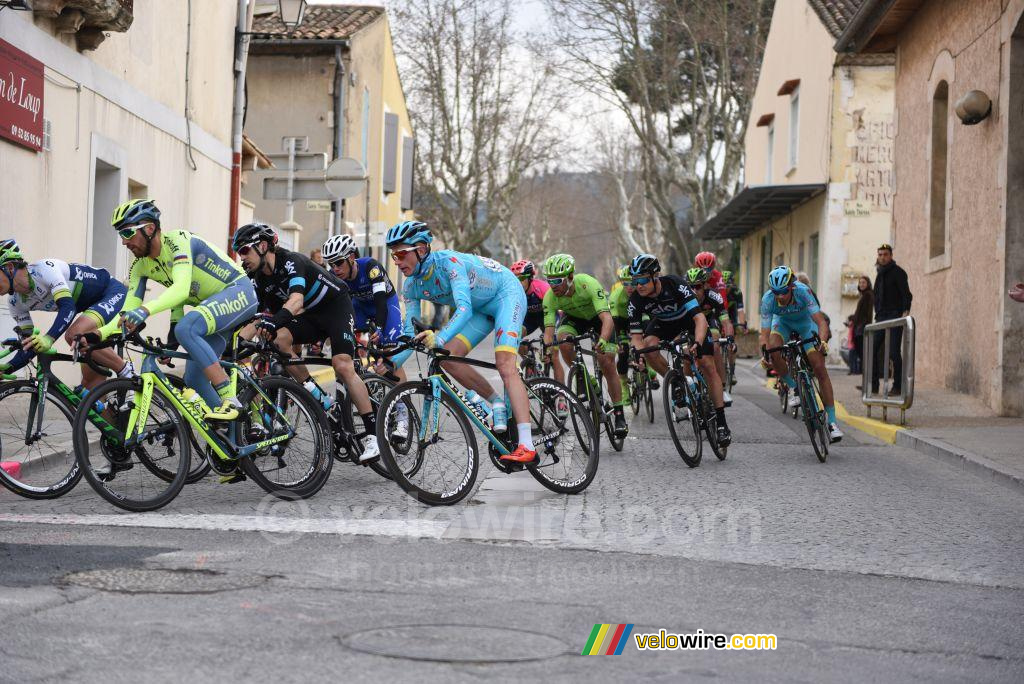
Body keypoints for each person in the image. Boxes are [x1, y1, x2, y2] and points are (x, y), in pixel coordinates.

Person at [386, 221, 538, 463]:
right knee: (447, 358)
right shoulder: (411, 285)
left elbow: (464, 308)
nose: (397, 261)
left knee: (505, 365)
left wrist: (439, 337)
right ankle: (497, 403)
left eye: (402, 254)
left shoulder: (449, 263)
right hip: (481, 309)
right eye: (394, 256)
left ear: (421, 250)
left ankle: (527, 445)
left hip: (506, 295)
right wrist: (391, 362)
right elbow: (409, 332)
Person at [96, 199, 258, 424]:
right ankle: (231, 434)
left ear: (149, 229)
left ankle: (231, 401)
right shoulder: (140, 266)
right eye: (120, 235)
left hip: (238, 291)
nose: (124, 242)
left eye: (127, 233)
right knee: (194, 380)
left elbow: (180, 289)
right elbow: (126, 312)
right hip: (214, 309)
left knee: (187, 328)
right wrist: (97, 334)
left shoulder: (178, 242)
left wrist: (145, 310)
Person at [234, 223, 380, 462]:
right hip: (312, 316)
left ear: (262, 246)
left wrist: (273, 322)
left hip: (336, 307)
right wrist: (237, 344)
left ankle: (373, 436)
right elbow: (258, 318)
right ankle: (319, 397)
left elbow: (295, 301)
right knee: (279, 340)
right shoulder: (259, 278)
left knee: (342, 365)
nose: (241, 258)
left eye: (244, 251)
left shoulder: (291, 262)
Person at [627, 254, 731, 445]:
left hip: (689, 321)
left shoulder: (675, 284)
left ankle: (722, 422)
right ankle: (675, 380)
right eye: (635, 281)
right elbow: (636, 338)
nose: (638, 285)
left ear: (655, 276)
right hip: (664, 324)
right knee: (648, 347)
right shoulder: (635, 299)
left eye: (642, 280)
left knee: (707, 364)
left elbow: (700, 319)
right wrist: (639, 355)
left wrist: (697, 342)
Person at [0, 240, 132, 388]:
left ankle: (128, 373)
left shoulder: (45, 270)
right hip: (88, 307)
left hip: (110, 291)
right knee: (90, 387)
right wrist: (9, 367)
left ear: (9, 268)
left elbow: (68, 308)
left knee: (73, 334)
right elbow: (29, 345)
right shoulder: (14, 303)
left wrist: (48, 338)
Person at [321, 233, 410, 437]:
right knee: (342, 347)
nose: (335, 268)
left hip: (385, 305)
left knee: (389, 356)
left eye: (339, 262)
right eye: (331, 264)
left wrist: (379, 328)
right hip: (360, 307)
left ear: (352, 257)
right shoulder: (334, 275)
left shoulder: (371, 267)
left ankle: (403, 414)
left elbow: (380, 301)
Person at [541, 253, 628, 438]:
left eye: (557, 281)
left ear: (570, 277)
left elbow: (607, 318)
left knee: (606, 362)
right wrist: (547, 350)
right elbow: (549, 332)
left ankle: (619, 414)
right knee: (563, 341)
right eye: (549, 280)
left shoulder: (588, 283)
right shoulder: (550, 296)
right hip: (574, 319)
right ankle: (583, 377)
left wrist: (602, 340)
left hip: (599, 319)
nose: (553, 285)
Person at [759, 265, 842, 442]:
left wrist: (822, 342)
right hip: (782, 324)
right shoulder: (768, 299)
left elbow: (821, 323)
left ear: (791, 286)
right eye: (776, 292)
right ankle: (792, 386)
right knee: (773, 349)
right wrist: (765, 354)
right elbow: (764, 334)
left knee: (819, 368)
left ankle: (833, 423)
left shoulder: (803, 291)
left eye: (784, 291)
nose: (780, 296)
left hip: (806, 324)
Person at [683, 267, 735, 405]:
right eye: (690, 287)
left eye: (698, 287)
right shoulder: (683, 297)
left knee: (715, 347)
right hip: (690, 324)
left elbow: (726, 321)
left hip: (709, 322)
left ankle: (722, 389)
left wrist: (730, 338)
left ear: (705, 285)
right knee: (684, 354)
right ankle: (688, 389)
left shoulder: (713, 295)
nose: (694, 291)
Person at [509, 259, 565, 385]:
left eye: (521, 278)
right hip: (529, 319)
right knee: (515, 335)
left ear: (530, 278)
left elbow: (558, 309)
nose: (518, 282)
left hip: (548, 318)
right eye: (514, 279)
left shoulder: (542, 288)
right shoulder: (514, 293)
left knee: (554, 356)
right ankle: (530, 361)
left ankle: (561, 394)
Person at [871, 243, 912, 395]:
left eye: (885, 254)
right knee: (872, 349)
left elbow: (906, 294)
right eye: (880, 254)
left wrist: (905, 311)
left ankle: (898, 386)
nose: (882, 257)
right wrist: (877, 313)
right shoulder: (879, 274)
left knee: (894, 352)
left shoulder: (898, 272)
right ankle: (873, 385)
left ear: (891, 256)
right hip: (881, 317)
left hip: (894, 316)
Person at [722, 269, 745, 385]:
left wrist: (743, 324)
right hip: (720, 314)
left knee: (731, 344)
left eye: (728, 286)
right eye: (724, 286)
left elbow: (740, 310)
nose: (726, 289)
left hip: (731, 315)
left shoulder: (736, 292)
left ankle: (732, 370)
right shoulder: (718, 291)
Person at [851, 275, 873, 375]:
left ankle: (866, 375)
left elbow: (867, 313)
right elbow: (859, 313)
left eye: (863, 282)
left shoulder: (868, 295)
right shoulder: (863, 295)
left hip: (862, 328)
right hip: (859, 326)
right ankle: (865, 376)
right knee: (861, 353)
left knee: (863, 353)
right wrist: (852, 320)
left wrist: (863, 325)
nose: (861, 284)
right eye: (860, 282)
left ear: (868, 284)